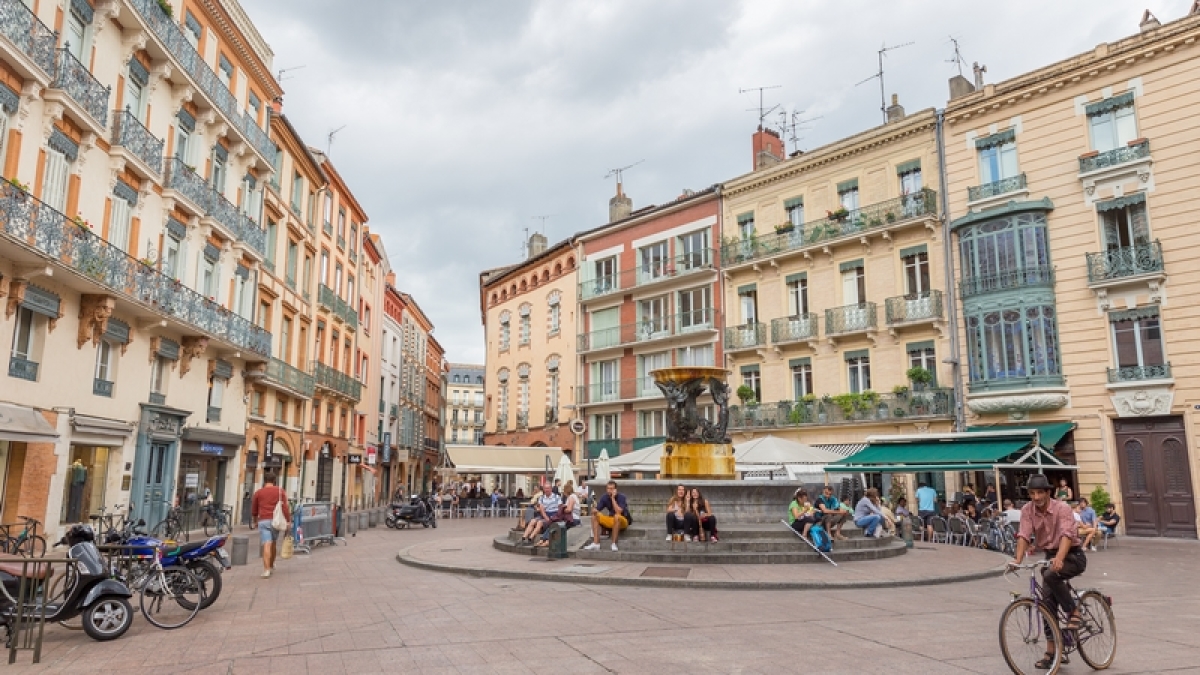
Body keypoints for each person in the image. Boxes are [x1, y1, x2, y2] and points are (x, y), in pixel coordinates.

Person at [1009, 473, 1086, 669]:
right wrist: (1017, 559)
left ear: (1048, 492)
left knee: (1050, 574)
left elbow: (1067, 535)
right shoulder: (1027, 510)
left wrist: (1060, 558)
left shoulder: (1062, 508)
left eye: (1039, 492)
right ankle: (1052, 652)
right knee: (1046, 604)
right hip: (1050, 556)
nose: (1036, 497)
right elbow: (1024, 535)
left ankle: (1074, 611)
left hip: (1072, 555)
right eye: (1032, 493)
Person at [250, 473, 290, 579]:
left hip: (263, 520)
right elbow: (285, 507)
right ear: (274, 481)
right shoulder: (280, 491)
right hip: (275, 521)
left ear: (264, 481)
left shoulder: (258, 493)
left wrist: (255, 521)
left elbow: (254, 509)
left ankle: (266, 570)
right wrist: (288, 521)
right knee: (273, 544)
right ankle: (271, 565)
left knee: (267, 544)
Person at [584, 481, 630, 551]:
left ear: (615, 490)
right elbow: (597, 509)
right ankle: (596, 543)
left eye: (612, 489)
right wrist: (594, 510)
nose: (609, 490)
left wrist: (613, 498)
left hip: (622, 520)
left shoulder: (621, 497)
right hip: (611, 519)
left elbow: (619, 511)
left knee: (617, 516)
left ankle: (614, 543)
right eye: (608, 488)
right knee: (595, 516)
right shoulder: (604, 497)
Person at [537, 482, 580, 547]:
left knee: (556, 526)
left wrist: (563, 509)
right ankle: (544, 539)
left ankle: (546, 541)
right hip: (571, 519)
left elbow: (569, 509)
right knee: (554, 525)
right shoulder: (573, 497)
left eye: (564, 490)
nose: (563, 492)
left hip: (573, 519)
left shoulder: (571, 497)